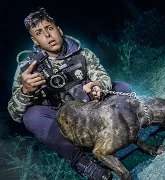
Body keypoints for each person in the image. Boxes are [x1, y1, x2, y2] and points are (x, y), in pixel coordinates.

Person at [7, 7, 132, 180]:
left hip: (93, 112)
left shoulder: (82, 53)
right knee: (31, 116)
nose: (48, 35)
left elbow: (101, 76)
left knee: (123, 89)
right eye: (39, 32)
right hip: (66, 126)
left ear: (59, 29)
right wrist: (25, 91)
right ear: (34, 40)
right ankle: (85, 164)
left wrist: (98, 87)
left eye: (50, 28)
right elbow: (14, 114)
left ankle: (125, 134)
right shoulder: (27, 69)